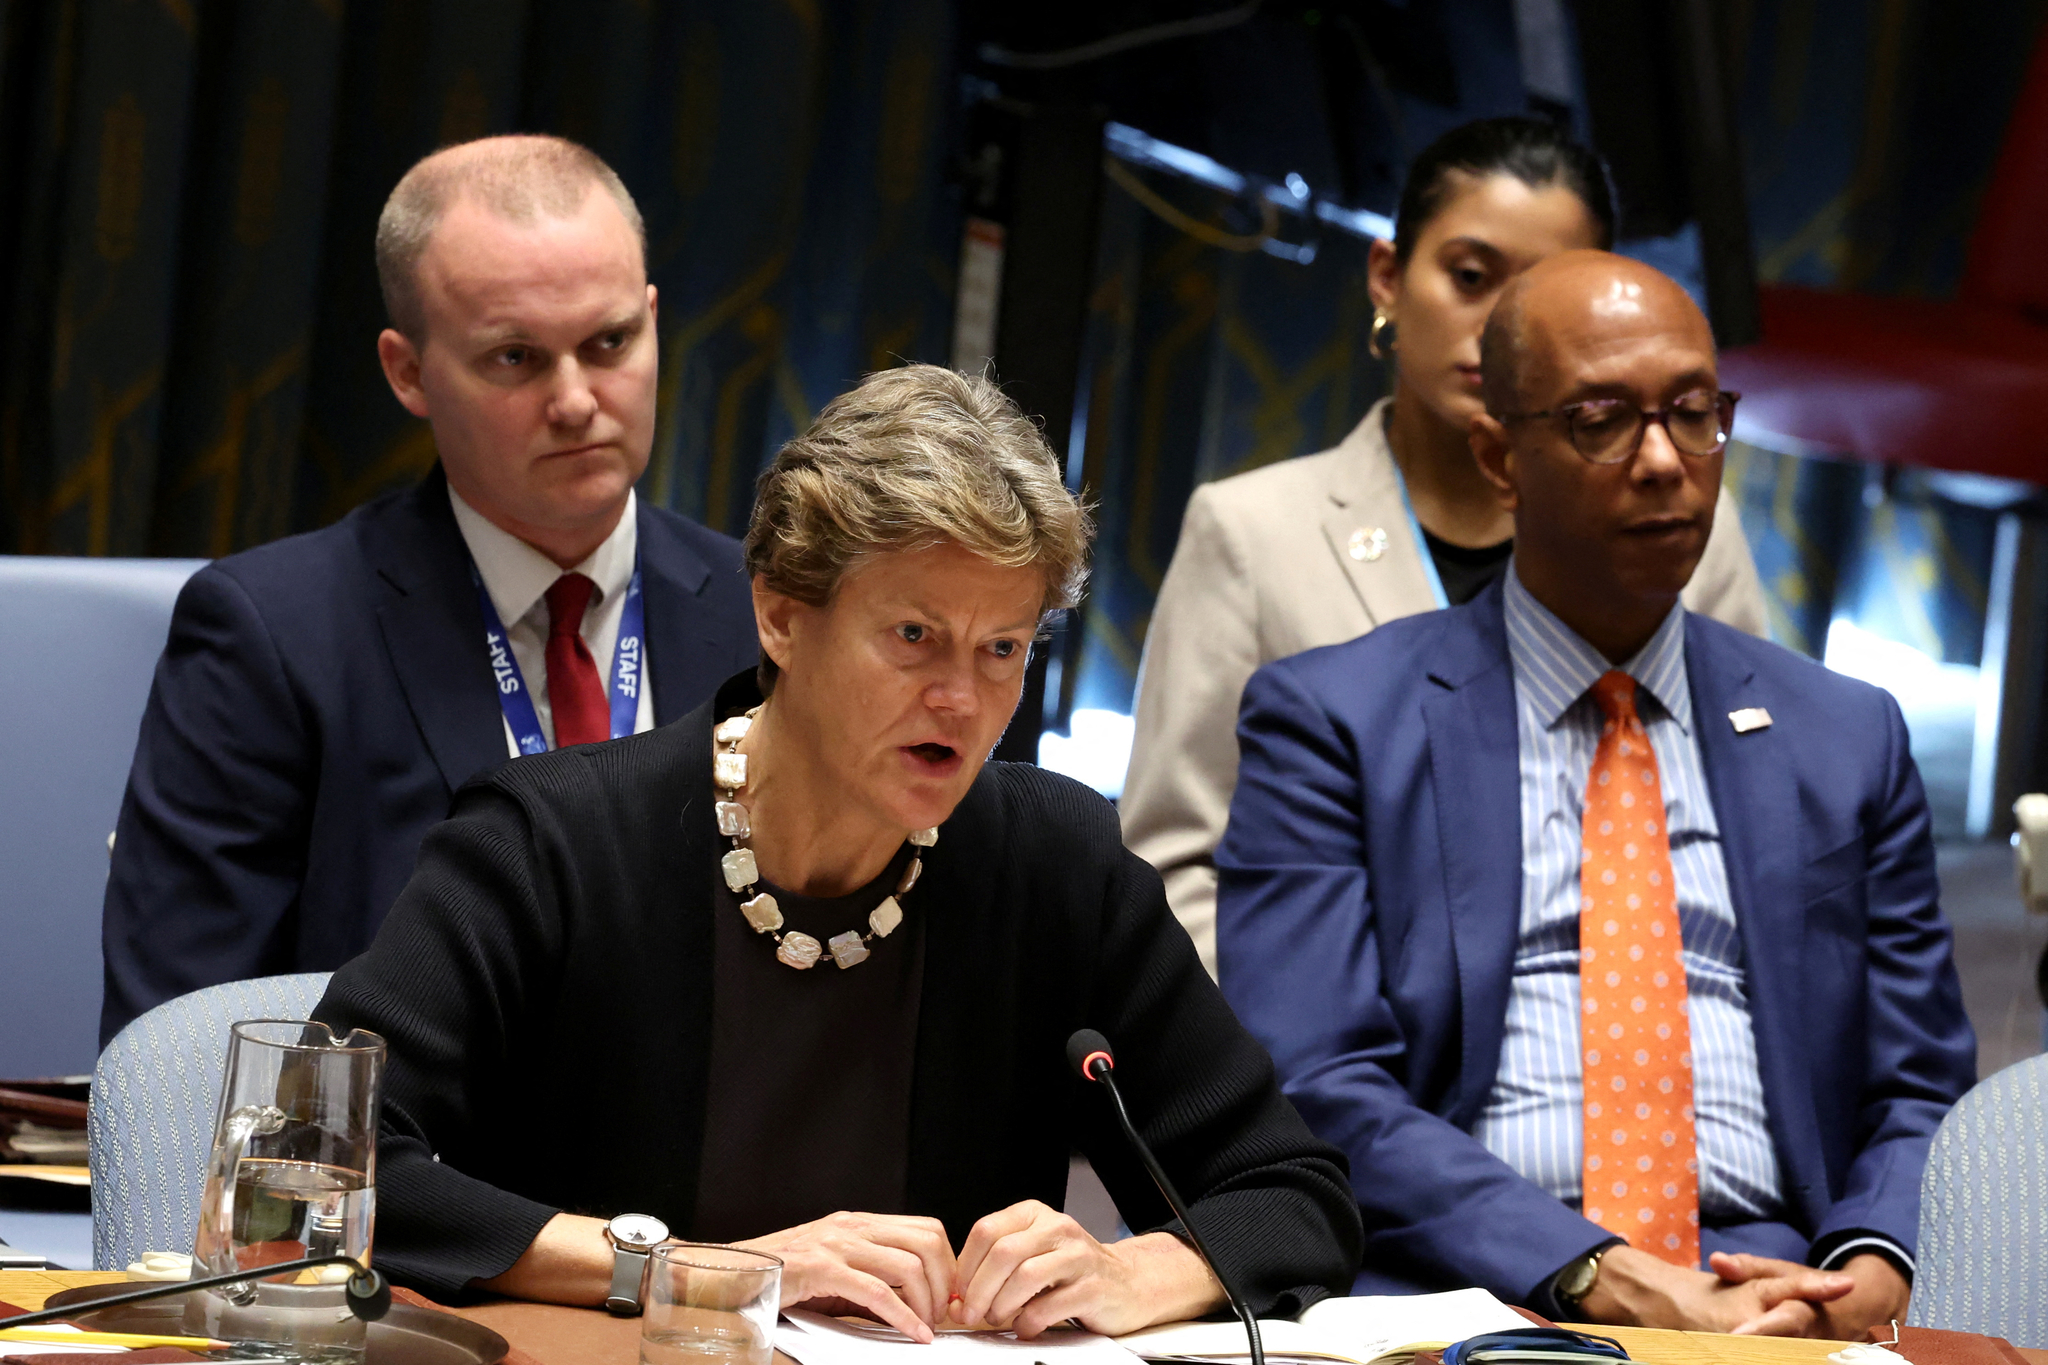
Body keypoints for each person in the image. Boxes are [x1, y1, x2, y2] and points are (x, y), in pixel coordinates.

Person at [311, 364, 1363, 1336]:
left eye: (1002, 649)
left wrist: (1133, 1272)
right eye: (914, 637)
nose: (961, 698)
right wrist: (687, 1267)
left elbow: (1292, 1196)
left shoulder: (1054, 861)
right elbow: (317, 1161)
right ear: (780, 615)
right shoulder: (554, 844)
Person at [1214, 252, 1974, 1336]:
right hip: (1473, 1295)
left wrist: (1866, 1262)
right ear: (1498, 455)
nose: (1663, 462)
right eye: (1600, 421)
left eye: (1692, 414)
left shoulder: (1843, 734)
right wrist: (1598, 1272)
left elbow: (1919, 1086)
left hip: (1779, 1295)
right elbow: (1317, 1080)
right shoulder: (1334, 719)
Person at [100, 136, 758, 1042]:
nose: (576, 400)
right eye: (516, 358)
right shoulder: (274, 637)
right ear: (407, 371)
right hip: (396, 1168)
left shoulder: (767, 615)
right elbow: (175, 1052)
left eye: (610, 342)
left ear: (652, 318)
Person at [1122, 118, 1768, 976]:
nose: (1501, 323)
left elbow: (1753, 821)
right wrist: (1309, 1059)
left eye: (1545, 291)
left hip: (1619, 1023)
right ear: (1389, 277)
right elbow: (1174, 870)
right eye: (1470, 276)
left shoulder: (1681, 526)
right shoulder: (1250, 532)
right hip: (1325, 1056)